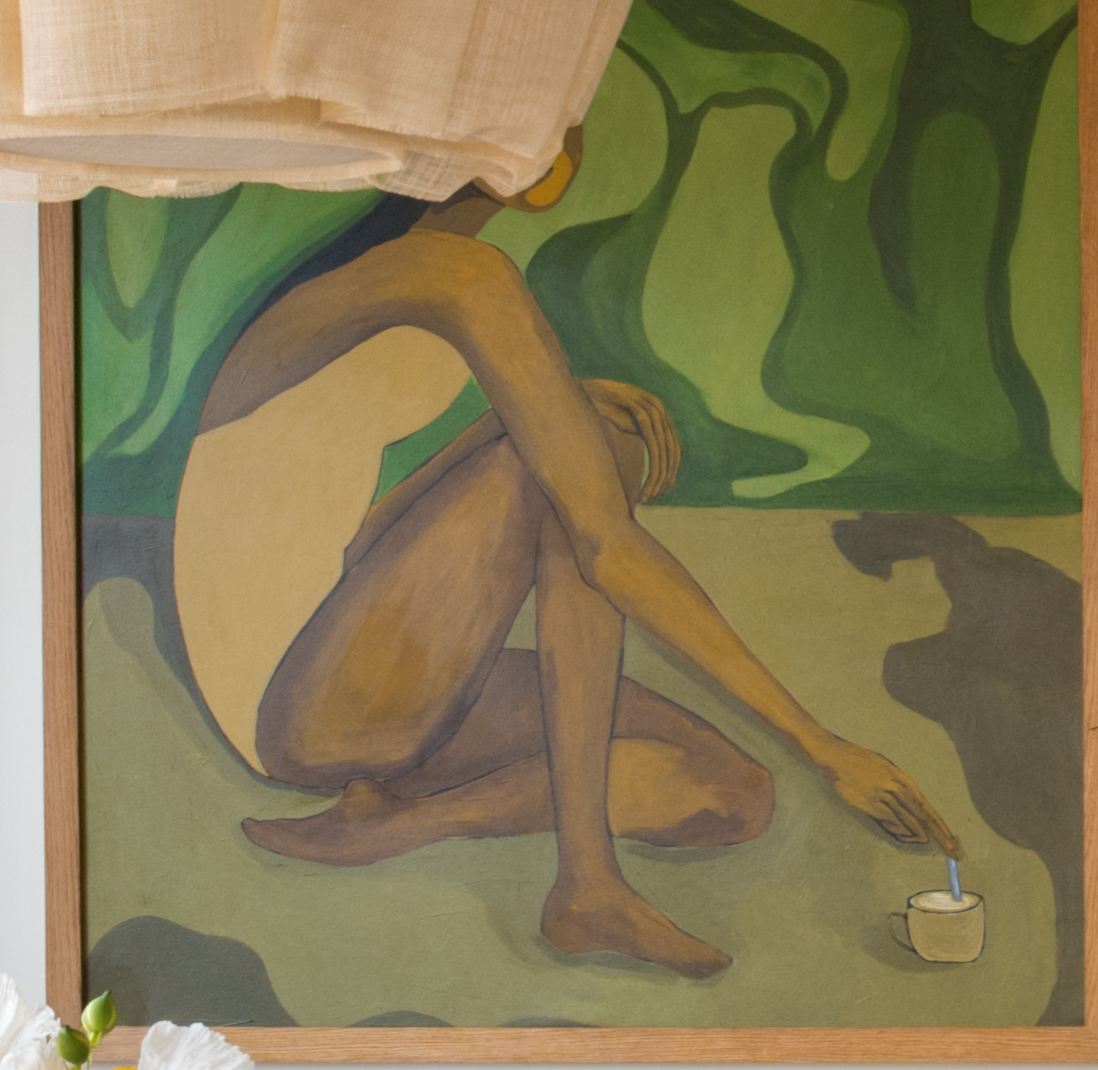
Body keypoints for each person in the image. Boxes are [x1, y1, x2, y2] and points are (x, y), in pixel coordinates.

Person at [161, 174, 953, 980]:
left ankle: (406, 821)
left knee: (731, 792)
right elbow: (605, 547)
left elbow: (364, 522)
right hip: (290, 700)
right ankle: (588, 880)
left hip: (362, 664)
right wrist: (822, 745)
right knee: (593, 461)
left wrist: (522, 420)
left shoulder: (423, 264)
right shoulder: (454, 275)